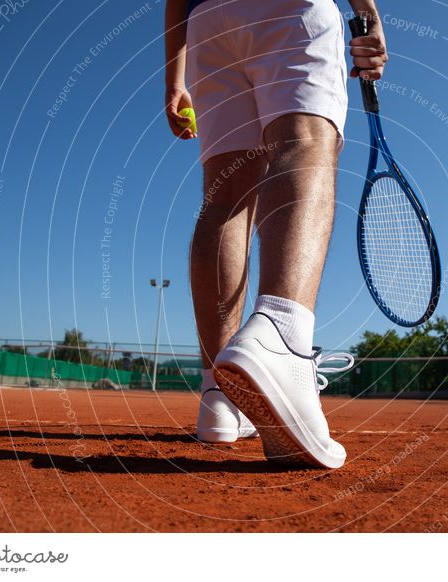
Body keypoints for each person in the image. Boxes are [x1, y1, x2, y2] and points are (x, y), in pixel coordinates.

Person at [164, 0, 387, 468]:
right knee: (304, 141)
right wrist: (369, 12)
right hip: (290, 10)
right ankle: (281, 338)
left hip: (207, 25)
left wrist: (174, 80)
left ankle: (219, 397)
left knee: (224, 198)